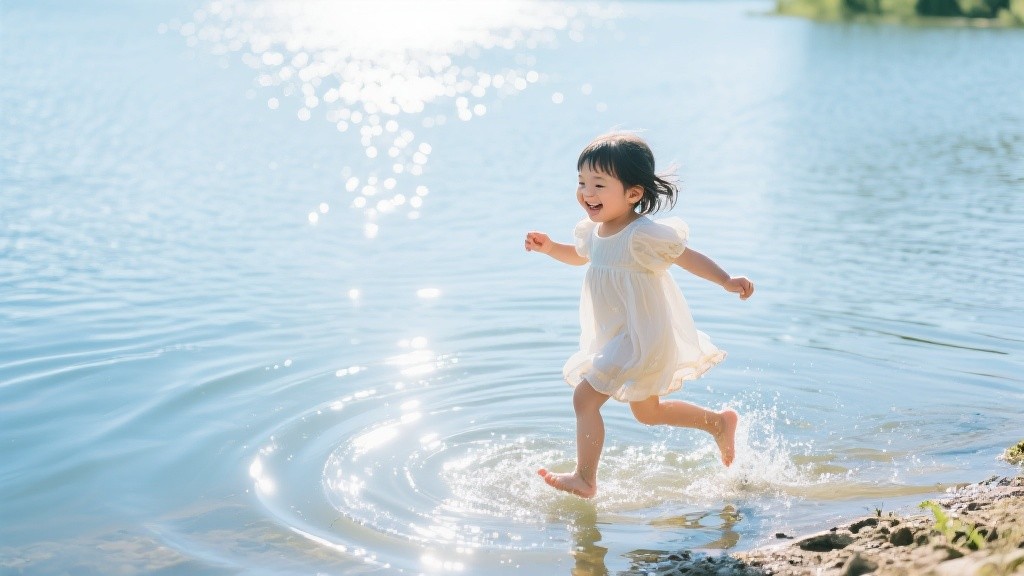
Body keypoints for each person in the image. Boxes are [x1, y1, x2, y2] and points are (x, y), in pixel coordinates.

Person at [524, 132, 754, 499]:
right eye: (582, 182)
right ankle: (718, 424)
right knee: (648, 412)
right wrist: (550, 248)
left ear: (633, 194)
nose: (587, 192)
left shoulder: (642, 234)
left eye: (599, 184)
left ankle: (585, 478)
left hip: (640, 335)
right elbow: (580, 256)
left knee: (585, 398)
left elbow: (686, 256)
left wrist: (726, 280)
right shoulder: (595, 232)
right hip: (618, 335)